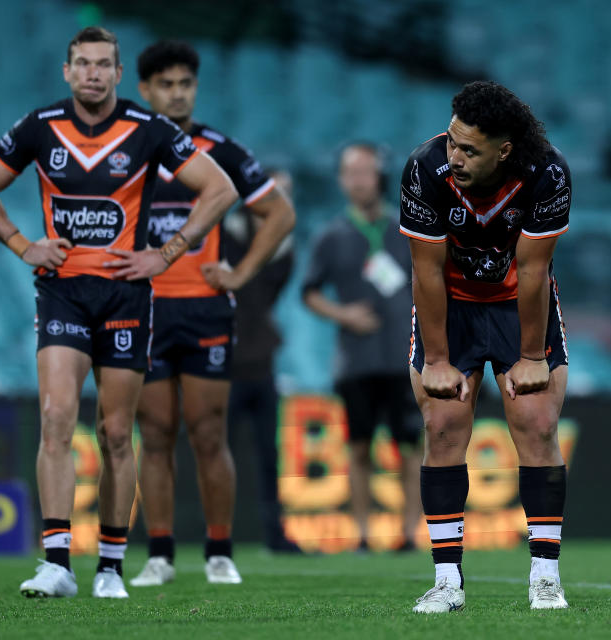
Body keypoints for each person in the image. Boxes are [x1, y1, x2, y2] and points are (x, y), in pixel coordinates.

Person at [0, 26, 237, 599]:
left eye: (102, 64)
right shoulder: (40, 128)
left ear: (116, 73)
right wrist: (22, 245)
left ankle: (110, 567)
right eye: (81, 63)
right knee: (57, 418)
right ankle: (57, 563)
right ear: (67, 71)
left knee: (116, 432)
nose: (91, 72)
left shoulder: (148, 130)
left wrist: (165, 253)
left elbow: (219, 189)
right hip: (61, 291)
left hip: (126, 297)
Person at [128, 41, 296, 588]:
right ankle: (159, 554)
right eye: (166, 84)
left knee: (207, 432)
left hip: (204, 309)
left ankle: (219, 552)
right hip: (143, 308)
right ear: (145, 90)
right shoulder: (124, 147)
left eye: (186, 84)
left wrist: (241, 273)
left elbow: (280, 213)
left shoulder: (219, 149)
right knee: (155, 433)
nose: (177, 94)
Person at [400, 81, 571, 613]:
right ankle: (447, 581)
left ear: (505, 151)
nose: (453, 156)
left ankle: (546, 577)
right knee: (442, 426)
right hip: (450, 304)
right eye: (452, 142)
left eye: (469, 150)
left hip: (519, 300)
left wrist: (531, 356)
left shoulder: (548, 174)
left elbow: (533, 267)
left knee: (538, 424)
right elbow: (425, 272)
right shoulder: (423, 169)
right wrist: (437, 360)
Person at [302, 143, 423, 553]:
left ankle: (409, 533)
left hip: (403, 356)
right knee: (358, 447)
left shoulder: (404, 229)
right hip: (356, 361)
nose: (358, 181)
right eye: (350, 173)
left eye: (365, 172)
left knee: (409, 446)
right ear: (341, 180)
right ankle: (362, 534)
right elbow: (310, 292)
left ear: (380, 176)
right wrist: (344, 315)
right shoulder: (331, 236)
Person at [223, 168, 301, 553]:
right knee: (217, 451)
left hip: (259, 361)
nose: (281, 201)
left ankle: (274, 532)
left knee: (268, 455)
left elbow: (261, 297)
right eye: (276, 192)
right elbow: (251, 294)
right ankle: (216, 534)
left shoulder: (283, 247)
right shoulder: (226, 234)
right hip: (226, 360)